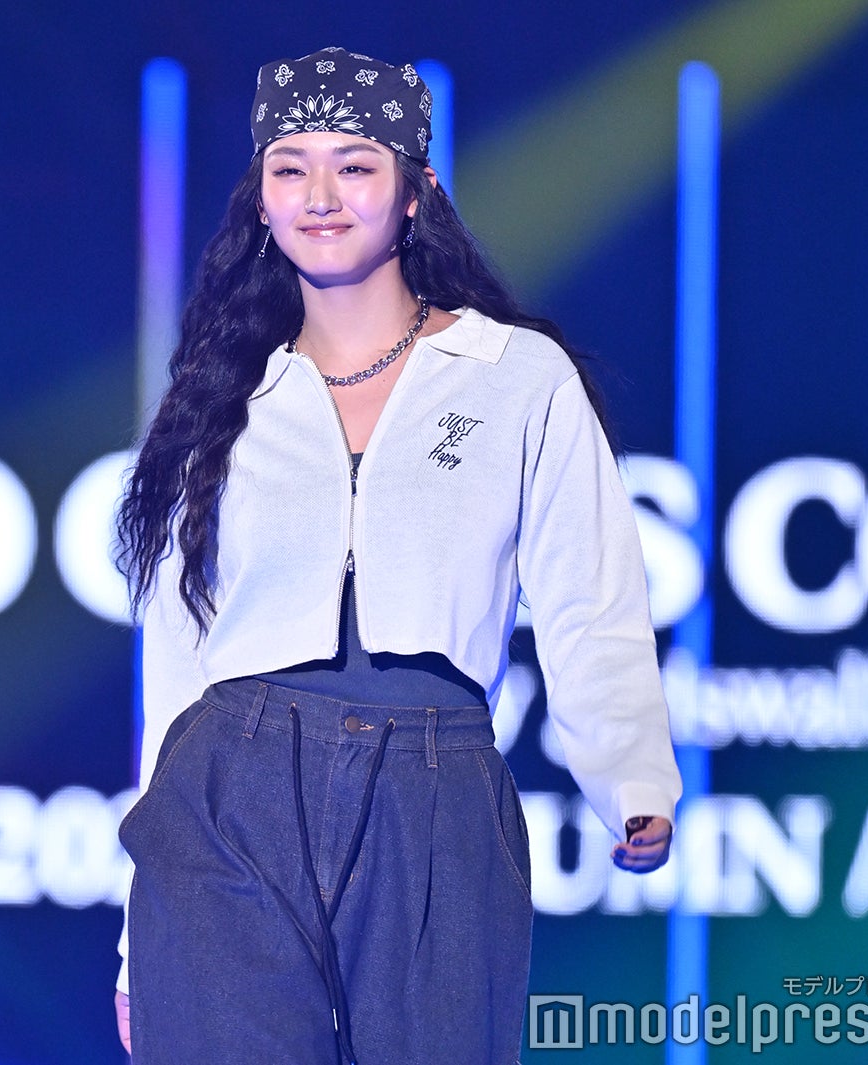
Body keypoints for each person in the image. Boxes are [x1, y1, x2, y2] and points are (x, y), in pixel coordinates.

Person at [111, 47, 682, 1064]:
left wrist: (631, 777)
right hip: (227, 787)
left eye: (355, 165)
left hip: (434, 786)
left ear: (416, 191)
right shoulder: (222, 393)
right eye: (290, 167)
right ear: (260, 199)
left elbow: (589, 594)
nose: (320, 196)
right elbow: (175, 666)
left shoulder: (514, 376)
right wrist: (130, 944)